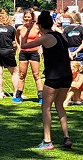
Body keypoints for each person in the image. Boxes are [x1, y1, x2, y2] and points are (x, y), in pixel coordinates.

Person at [23, 11, 71, 150]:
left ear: (39, 25)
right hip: (66, 75)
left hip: (54, 77)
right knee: (60, 106)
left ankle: (47, 140)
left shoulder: (46, 38)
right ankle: (66, 137)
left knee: (46, 108)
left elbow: (24, 45)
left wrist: (27, 31)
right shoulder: (61, 36)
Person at [12, 7, 43, 104]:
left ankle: (41, 96)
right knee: (22, 75)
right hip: (24, 53)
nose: (27, 19)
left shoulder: (37, 27)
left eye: (29, 17)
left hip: (34, 52)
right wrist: (18, 46)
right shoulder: (20, 28)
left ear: (32, 17)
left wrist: (41, 48)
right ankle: (18, 95)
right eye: (25, 17)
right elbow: (17, 38)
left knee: (36, 75)